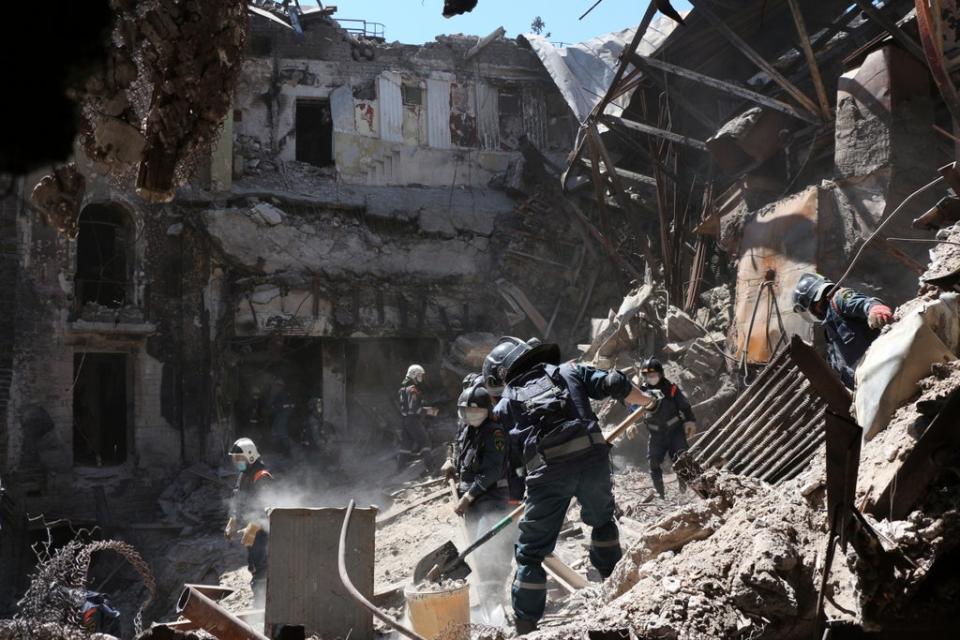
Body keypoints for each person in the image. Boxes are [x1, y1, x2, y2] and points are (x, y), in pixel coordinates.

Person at [483, 337, 658, 635]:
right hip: (593, 462)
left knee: (531, 553)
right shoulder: (569, 371)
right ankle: (617, 593)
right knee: (602, 523)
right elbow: (614, 383)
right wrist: (649, 400)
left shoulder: (504, 404)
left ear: (501, 376)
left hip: (547, 477)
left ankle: (527, 627)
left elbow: (508, 463)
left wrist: (516, 496)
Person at [441, 384, 512, 608]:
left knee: (488, 548)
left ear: (486, 411)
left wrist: (468, 497)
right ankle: (486, 596)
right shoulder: (465, 428)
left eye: (477, 412)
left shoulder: (495, 432)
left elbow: (491, 471)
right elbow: (454, 446)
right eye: (467, 411)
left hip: (491, 499)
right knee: (474, 549)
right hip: (470, 500)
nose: (472, 416)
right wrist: (450, 460)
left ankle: (495, 597)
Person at [792, 273, 894, 388]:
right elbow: (839, 368)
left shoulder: (839, 299)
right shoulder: (829, 332)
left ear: (814, 302)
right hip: (868, 385)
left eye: (809, 308)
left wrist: (875, 309)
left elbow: (862, 303)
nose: (811, 312)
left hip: (884, 368)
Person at [626, 358, 695, 499]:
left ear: (661, 374)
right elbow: (633, 410)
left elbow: (685, 406)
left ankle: (687, 491)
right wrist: (630, 424)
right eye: (647, 375)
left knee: (682, 459)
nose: (651, 378)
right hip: (656, 435)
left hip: (675, 431)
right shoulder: (641, 393)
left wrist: (690, 421)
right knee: (653, 463)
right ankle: (661, 494)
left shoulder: (672, 389)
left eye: (654, 375)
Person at [224, 437, 273, 602]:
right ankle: (258, 596)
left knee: (262, 565)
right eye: (235, 459)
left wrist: (252, 527)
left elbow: (266, 507)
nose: (237, 462)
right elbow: (237, 498)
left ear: (250, 456)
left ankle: (262, 604)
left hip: (262, 530)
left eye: (239, 459)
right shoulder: (244, 475)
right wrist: (233, 519)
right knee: (253, 563)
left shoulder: (261, 475)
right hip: (251, 529)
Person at [397, 364, 436, 456]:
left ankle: (400, 468)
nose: (421, 377)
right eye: (420, 375)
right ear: (415, 375)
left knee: (405, 446)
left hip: (405, 420)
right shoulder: (412, 389)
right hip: (413, 420)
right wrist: (428, 411)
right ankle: (430, 467)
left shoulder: (403, 389)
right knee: (425, 443)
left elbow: (407, 407)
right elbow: (413, 408)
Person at [269, 379, 296, 454]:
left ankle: (287, 451)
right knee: (277, 433)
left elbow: (291, 405)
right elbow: (273, 406)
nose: (278, 387)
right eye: (277, 385)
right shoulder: (277, 395)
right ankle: (281, 450)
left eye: (279, 386)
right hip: (280, 416)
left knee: (282, 433)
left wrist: (286, 408)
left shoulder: (284, 394)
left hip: (284, 416)